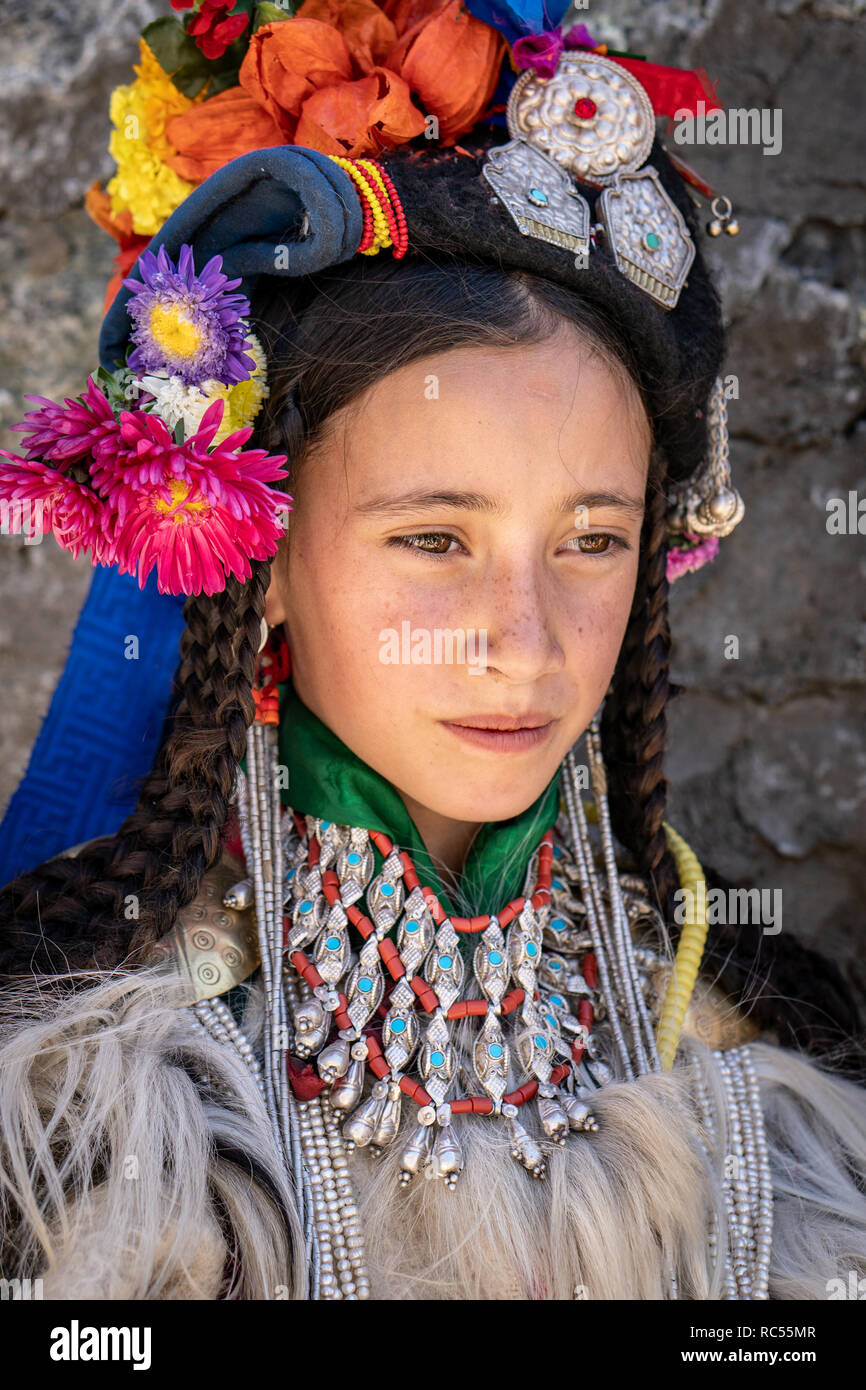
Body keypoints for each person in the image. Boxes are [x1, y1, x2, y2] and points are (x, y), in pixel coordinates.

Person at [0, 1, 864, 1301]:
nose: (524, 646)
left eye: (589, 540)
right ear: (265, 556)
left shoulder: (756, 1070)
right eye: (433, 541)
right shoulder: (84, 1115)